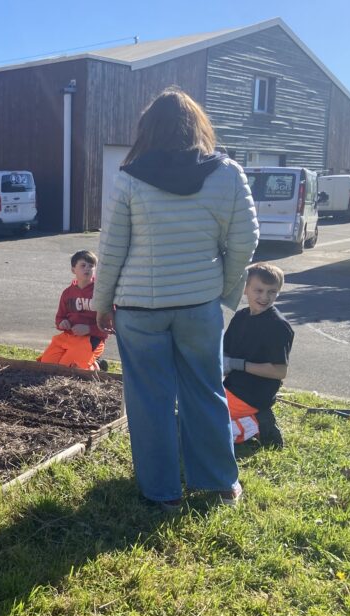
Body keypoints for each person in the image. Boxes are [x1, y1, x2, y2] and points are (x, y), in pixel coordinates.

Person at [94, 87, 259, 510]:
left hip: (139, 309)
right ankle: (221, 483)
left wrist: (101, 303)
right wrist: (222, 288)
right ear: (197, 126)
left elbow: (112, 247)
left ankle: (162, 494)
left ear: (149, 129)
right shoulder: (228, 173)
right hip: (199, 305)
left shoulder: (130, 176)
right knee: (206, 391)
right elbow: (245, 241)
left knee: (149, 401)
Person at [223, 262, 294, 448]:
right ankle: (248, 419)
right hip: (232, 387)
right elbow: (226, 349)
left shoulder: (278, 326)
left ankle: (256, 424)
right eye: (259, 290)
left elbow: (279, 371)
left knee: (202, 426)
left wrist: (237, 364)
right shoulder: (241, 317)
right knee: (192, 409)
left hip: (252, 395)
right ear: (245, 288)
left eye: (272, 291)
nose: (264, 297)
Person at [38, 250, 110, 371]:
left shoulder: (100, 293)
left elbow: (108, 326)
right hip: (68, 336)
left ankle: (96, 364)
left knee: (69, 368)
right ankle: (90, 361)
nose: (87, 269)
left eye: (91, 266)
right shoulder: (67, 293)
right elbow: (59, 318)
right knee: (46, 365)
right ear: (73, 270)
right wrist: (62, 323)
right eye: (83, 265)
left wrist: (88, 329)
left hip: (91, 338)